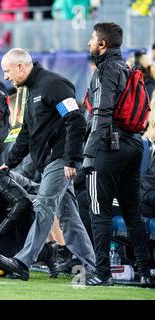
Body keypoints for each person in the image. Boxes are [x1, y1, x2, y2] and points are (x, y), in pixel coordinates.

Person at [0, 48, 95, 281]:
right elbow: (27, 134)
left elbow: (75, 120)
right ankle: (92, 267)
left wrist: (71, 159)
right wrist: (9, 164)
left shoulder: (53, 85)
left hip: (59, 160)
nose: (6, 77)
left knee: (44, 206)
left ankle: (22, 261)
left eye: (7, 71)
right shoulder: (32, 91)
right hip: (50, 162)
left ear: (21, 66)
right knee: (68, 217)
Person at [82, 23, 154, 287]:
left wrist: (89, 155)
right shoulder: (126, 68)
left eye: (92, 38)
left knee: (98, 210)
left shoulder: (105, 70)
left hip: (108, 147)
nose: (89, 42)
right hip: (134, 145)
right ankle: (146, 272)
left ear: (102, 44)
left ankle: (102, 273)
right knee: (133, 213)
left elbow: (102, 113)